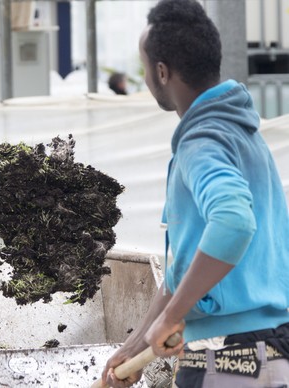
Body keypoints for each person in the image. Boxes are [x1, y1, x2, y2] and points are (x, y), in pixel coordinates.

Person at [100, 0, 289, 387]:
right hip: (270, 349)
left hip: (227, 360)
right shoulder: (243, 133)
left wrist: (172, 318)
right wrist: (135, 346)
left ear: (162, 71)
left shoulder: (201, 141)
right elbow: (183, 271)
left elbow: (234, 223)